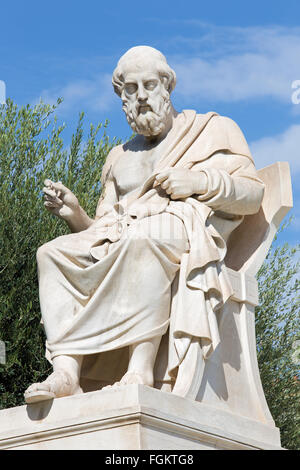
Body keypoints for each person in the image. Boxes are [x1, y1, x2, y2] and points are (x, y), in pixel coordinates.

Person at [24, 46, 264, 404]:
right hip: (124, 233)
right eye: (129, 91)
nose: (140, 97)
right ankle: (66, 372)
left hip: (177, 229)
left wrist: (198, 183)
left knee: (145, 238)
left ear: (168, 86)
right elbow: (103, 229)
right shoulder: (119, 156)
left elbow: (252, 193)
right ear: (121, 99)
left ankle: (140, 368)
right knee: (51, 254)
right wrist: (75, 214)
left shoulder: (212, 129)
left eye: (148, 85)